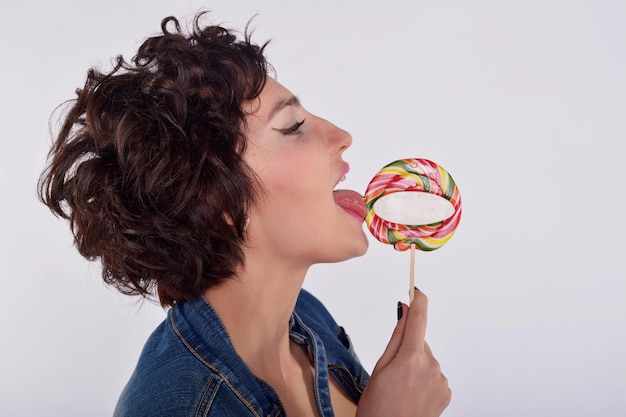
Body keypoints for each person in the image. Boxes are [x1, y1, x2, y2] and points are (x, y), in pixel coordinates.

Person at [38, 11, 451, 417]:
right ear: (218, 201)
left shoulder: (307, 316)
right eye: (293, 127)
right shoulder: (177, 408)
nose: (343, 137)